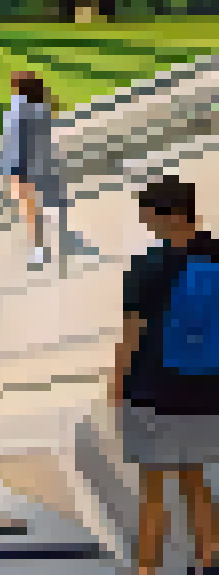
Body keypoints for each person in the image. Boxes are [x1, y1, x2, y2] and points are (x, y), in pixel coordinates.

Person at [113, 176, 219, 575]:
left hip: (154, 389)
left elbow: (130, 335)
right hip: (208, 386)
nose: (147, 226)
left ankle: (147, 570)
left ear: (172, 216)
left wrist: (117, 387)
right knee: (195, 477)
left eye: (150, 218)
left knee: (153, 490)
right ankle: (209, 558)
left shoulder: (149, 265)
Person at [0, 70, 66, 270]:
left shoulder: (20, 110)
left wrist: (12, 170)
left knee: (30, 211)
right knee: (37, 208)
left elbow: (14, 141)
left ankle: (38, 249)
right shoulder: (43, 109)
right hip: (38, 164)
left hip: (23, 166)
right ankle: (42, 245)